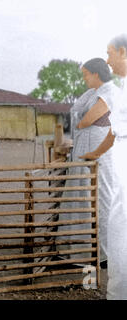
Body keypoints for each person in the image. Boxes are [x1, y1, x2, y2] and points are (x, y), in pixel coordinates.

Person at [80, 34, 127, 300]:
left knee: (120, 223)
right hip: (117, 158)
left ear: (123, 51)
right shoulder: (123, 88)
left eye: (109, 53)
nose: (107, 59)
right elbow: (114, 131)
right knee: (118, 226)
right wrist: (95, 153)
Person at [58, 58, 116, 265]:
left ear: (96, 74)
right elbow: (75, 118)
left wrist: (79, 122)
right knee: (80, 195)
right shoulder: (91, 94)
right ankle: (77, 248)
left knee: (99, 196)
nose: (84, 79)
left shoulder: (109, 93)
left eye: (86, 74)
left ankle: (102, 253)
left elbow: (86, 120)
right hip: (85, 147)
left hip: (97, 150)